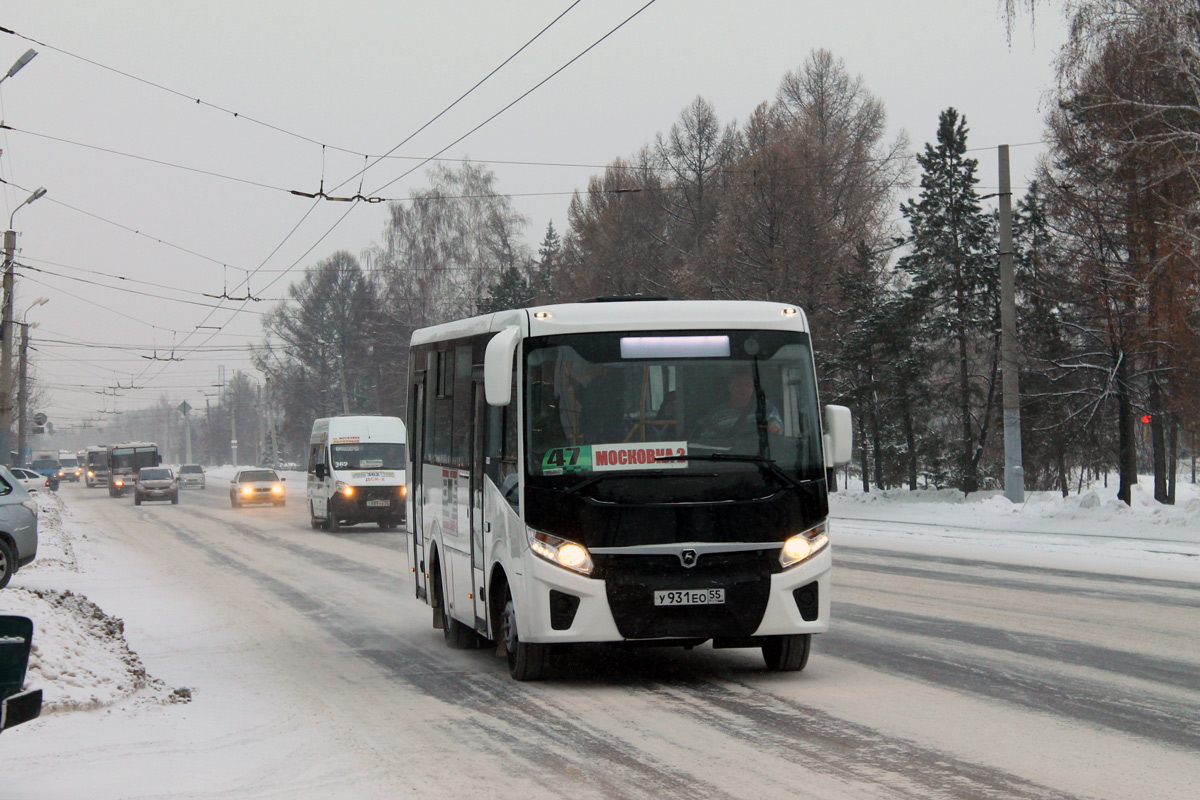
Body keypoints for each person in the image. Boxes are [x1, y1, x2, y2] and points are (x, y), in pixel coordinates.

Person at [695, 367, 782, 437]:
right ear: (729, 386)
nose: (743, 389)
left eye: (748, 384)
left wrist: (773, 426)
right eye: (738, 384)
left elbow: (777, 425)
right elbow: (707, 443)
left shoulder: (765, 408)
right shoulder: (716, 415)